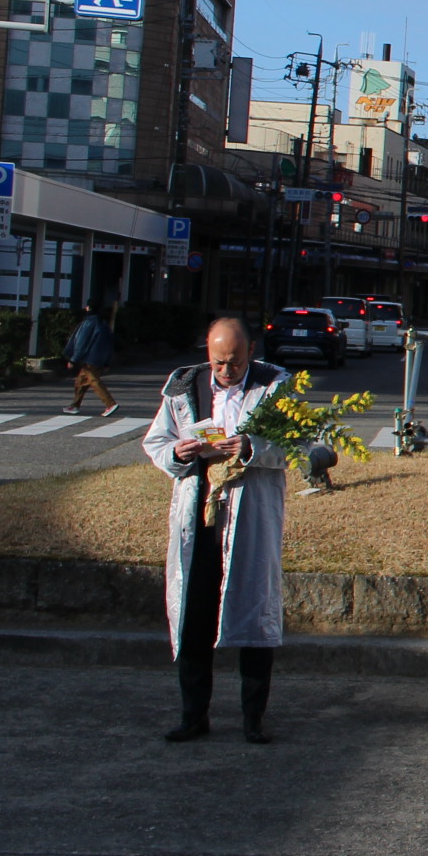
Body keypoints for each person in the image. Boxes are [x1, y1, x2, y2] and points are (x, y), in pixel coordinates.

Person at [139, 316, 288, 743]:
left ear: (251, 352)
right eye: (219, 362)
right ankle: (193, 715)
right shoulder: (184, 386)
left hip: (249, 514)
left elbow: (297, 445)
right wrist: (179, 452)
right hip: (199, 515)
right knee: (194, 614)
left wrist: (253, 447)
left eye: (235, 363)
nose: (226, 371)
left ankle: (253, 718)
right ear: (207, 352)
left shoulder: (275, 387)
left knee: (254, 612)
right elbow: (156, 442)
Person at [61, 299, 119, 417]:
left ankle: (110, 404)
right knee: (80, 382)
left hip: (89, 359)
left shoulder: (88, 323)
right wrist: (107, 361)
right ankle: (75, 405)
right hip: (100, 358)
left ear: (89, 308)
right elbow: (110, 344)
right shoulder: (104, 324)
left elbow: (81, 344)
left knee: (94, 381)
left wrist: (73, 359)